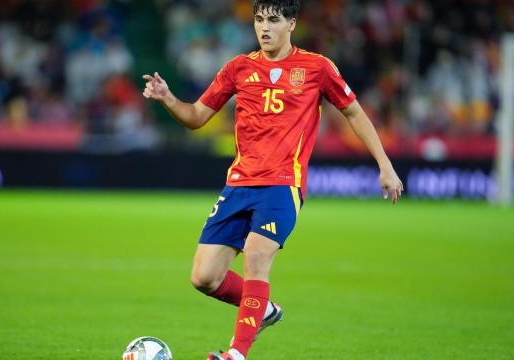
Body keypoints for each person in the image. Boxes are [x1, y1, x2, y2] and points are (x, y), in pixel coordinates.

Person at [142, 1, 404, 359]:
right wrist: (168, 98)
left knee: (256, 255)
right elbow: (197, 116)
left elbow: (354, 112)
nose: (264, 28)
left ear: (291, 24)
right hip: (238, 184)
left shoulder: (317, 68)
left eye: (274, 20)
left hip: (283, 184)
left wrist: (384, 164)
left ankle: (236, 353)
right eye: (259, 20)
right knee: (204, 277)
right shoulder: (238, 68)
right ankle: (263, 310)